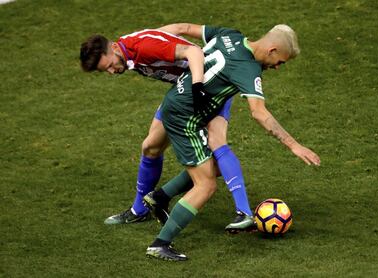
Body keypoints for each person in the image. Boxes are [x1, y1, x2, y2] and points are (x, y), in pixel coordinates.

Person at [144, 23, 321, 261]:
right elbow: (259, 113)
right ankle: (160, 244)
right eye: (280, 61)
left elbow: (186, 27)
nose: (278, 67)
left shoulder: (230, 34)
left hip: (177, 101)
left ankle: (160, 197)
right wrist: (294, 145)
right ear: (272, 49)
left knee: (215, 166)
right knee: (205, 186)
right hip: (184, 117)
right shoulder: (249, 69)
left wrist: (150, 37)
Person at [79, 26, 255, 232]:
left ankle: (244, 212)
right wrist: (168, 37)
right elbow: (176, 29)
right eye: (105, 70)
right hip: (183, 92)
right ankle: (140, 210)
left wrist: (197, 88)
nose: (111, 71)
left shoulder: (144, 47)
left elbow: (194, 52)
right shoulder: (128, 50)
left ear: (114, 48)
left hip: (207, 86)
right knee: (151, 147)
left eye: (109, 65)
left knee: (217, 143)